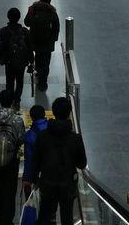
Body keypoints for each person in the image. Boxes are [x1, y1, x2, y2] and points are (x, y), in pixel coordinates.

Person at [33, 96, 87, 225]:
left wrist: (35, 180)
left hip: (47, 183)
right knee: (67, 216)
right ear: (69, 113)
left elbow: (36, 162)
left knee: (45, 215)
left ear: (53, 112)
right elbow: (82, 164)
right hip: (67, 185)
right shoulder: (76, 138)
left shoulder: (42, 136)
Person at [0, 89, 25, 225]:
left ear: (0, 101)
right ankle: (8, 219)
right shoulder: (17, 120)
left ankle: (1, 214)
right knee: (10, 187)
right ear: (12, 102)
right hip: (11, 157)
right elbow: (21, 139)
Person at [0, 8, 33, 110]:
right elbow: (30, 47)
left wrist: (1, 59)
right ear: (19, 17)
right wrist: (31, 60)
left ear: (8, 17)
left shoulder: (3, 31)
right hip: (22, 62)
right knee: (20, 81)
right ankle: (17, 100)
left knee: (9, 81)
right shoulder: (25, 31)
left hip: (9, 62)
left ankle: (9, 100)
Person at [24, 0, 60, 91]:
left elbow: (26, 23)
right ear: (50, 0)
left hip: (34, 40)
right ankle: (43, 84)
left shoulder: (32, 9)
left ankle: (38, 72)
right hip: (47, 43)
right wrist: (53, 39)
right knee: (46, 62)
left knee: (38, 55)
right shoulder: (52, 12)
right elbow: (56, 27)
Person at [21, 104, 48, 199]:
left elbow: (29, 159)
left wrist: (27, 179)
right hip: (56, 172)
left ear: (32, 118)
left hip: (39, 174)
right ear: (44, 115)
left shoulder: (30, 135)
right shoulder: (53, 129)